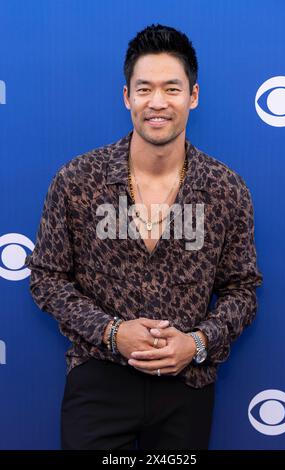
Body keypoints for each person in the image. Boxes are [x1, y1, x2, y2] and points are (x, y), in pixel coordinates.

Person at [25, 23, 263, 450]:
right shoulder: (78, 180)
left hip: (187, 388)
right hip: (98, 381)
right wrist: (112, 332)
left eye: (171, 89)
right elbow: (46, 278)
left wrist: (196, 342)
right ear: (126, 97)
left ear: (193, 96)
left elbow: (242, 290)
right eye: (144, 88)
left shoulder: (227, 189)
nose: (157, 102)